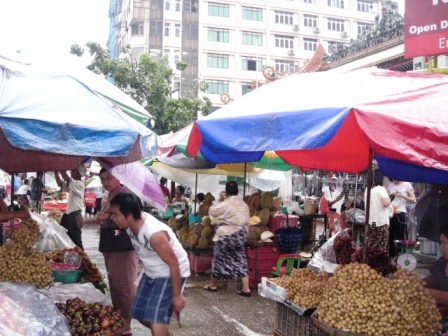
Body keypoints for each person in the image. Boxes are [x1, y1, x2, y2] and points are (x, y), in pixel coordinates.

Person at [109, 192, 190, 336]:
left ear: (129, 215)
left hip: (170, 271)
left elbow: (174, 263)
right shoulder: (130, 226)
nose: (113, 218)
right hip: (152, 270)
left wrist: (177, 295)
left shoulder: (154, 234)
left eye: (115, 214)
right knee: (139, 312)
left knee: (156, 320)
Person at [94, 168, 138, 335]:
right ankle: (119, 318)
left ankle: (127, 324)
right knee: (115, 284)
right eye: (102, 179)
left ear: (118, 178)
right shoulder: (111, 196)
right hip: (111, 246)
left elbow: (132, 218)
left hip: (123, 247)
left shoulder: (125, 194)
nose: (106, 182)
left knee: (125, 286)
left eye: (109, 178)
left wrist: (107, 218)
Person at [203, 181, 251, 297]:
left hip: (226, 234)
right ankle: (246, 288)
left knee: (218, 258)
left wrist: (219, 200)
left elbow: (212, 211)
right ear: (237, 191)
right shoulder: (244, 204)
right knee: (241, 259)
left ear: (226, 192)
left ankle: (213, 285)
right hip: (240, 234)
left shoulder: (225, 204)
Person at [54, 166, 86, 250]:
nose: (72, 172)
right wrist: (56, 172)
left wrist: (60, 166)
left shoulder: (79, 184)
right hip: (70, 216)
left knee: (77, 243)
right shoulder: (73, 185)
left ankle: (84, 260)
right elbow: (60, 184)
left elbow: (67, 179)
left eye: (74, 171)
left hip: (74, 217)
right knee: (69, 242)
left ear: (79, 173)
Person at [423, 226, 448, 325]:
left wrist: (430, 292)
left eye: (445, 243)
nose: (441, 247)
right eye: (441, 242)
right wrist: (421, 282)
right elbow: (434, 277)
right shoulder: (443, 262)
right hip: (436, 313)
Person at [386, 178, 416, 257]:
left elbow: (414, 200)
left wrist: (402, 196)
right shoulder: (390, 186)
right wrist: (389, 195)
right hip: (391, 214)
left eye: (395, 178)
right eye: (392, 179)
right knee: (390, 236)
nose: (394, 180)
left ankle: (400, 255)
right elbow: (386, 200)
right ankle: (391, 256)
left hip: (401, 213)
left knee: (400, 236)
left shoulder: (407, 185)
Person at [365, 169, 391, 253]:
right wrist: (389, 197)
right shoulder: (381, 189)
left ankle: (370, 263)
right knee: (381, 247)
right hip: (381, 222)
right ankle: (379, 264)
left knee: (371, 245)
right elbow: (386, 203)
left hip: (370, 222)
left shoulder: (367, 190)